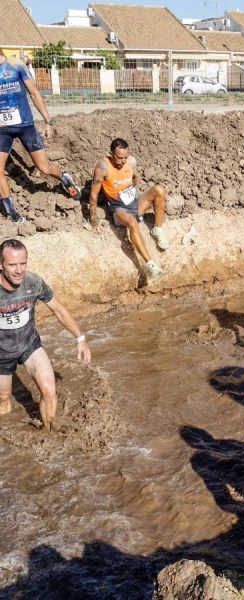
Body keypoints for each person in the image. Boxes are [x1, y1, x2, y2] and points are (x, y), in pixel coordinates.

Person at [0, 239, 91, 430]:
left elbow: (59, 309)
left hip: (28, 344)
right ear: (1, 265)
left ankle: (50, 434)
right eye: (12, 265)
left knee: (49, 390)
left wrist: (80, 338)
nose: (19, 270)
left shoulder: (33, 282)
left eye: (22, 263)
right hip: (1, 353)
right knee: (3, 397)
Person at [0, 51, 81, 223]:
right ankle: (11, 211)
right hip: (1, 130)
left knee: (43, 167)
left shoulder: (16, 66)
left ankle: (64, 178)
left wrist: (47, 121)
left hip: (25, 125)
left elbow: (34, 93)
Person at [88, 138, 169, 278]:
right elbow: (94, 194)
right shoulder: (102, 168)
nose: (123, 161)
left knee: (159, 190)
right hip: (120, 209)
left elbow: (135, 177)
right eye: (119, 158)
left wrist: (131, 186)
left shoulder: (130, 162)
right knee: (132, 222)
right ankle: (149, 264)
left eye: (125, 157)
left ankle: (157, 229)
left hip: (134, 203)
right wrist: (93, 218)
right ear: (111, 153)